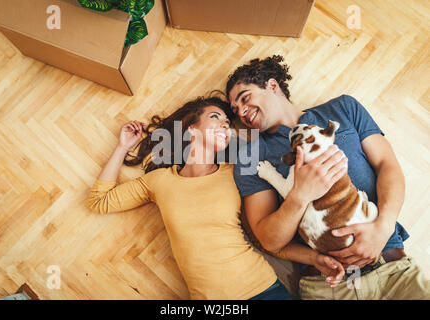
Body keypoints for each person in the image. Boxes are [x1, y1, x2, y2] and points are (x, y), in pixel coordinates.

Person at [226, 55, 430, 299]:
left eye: (245, 98)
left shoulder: (343, 108)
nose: (242, 112)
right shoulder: (251, 156)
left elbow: (388, 166)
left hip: (393, 270)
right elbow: (268, 239)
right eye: (236, 110)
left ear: (272, 85)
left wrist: (383, 227)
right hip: (330, 286)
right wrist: (300, 195)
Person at [86, 95, 293, 300]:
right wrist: (122, 146)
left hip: (264, 290)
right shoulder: (159, 181)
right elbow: (99, 201)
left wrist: (316, 258)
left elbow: (263, 235)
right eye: (216, 117)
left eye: (228, 123)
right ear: (192, 129)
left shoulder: (235, 173)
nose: (225, 126)